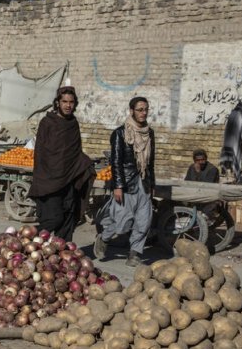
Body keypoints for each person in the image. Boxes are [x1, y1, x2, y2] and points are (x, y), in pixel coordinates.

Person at [94, 96, 156, 267]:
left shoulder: (149, 133)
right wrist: (118, 186)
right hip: (127, 184)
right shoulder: (120, 133)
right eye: (140, 109)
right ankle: (104, 237)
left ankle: (135, 253)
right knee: (122, 222)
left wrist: (152, 184)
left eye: (146, 109)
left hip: (143, 182)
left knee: (144, 220)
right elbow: (116, 162)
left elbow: (151, 161)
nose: (144, 113)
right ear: (131, 111)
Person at [28, 86, 94, 242]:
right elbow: (41, 153)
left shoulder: (73, 124)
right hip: (49, 180)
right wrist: (43, 177)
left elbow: (75, 151)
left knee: (68, 218)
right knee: (53, 219)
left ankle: (61, 254)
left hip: (69, 179)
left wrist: (85, 163)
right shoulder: (47, 122)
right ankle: (27, 238)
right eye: (64, 101)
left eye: (71, 102)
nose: (68, 105)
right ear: (57, 102)